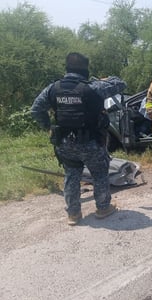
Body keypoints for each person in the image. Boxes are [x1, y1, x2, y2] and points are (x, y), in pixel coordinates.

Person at [31, 52, 127, 226]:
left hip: (64, 142)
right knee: (99, 174)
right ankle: (103, 208)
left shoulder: (53, 88)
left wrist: (48, 127)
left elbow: (36, 109)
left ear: (66, 68)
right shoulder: (94, 87)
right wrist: (105, 79)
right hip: (91, 141)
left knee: (71, 175)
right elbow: (121, 83)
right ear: (85, 69)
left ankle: (74, 214)